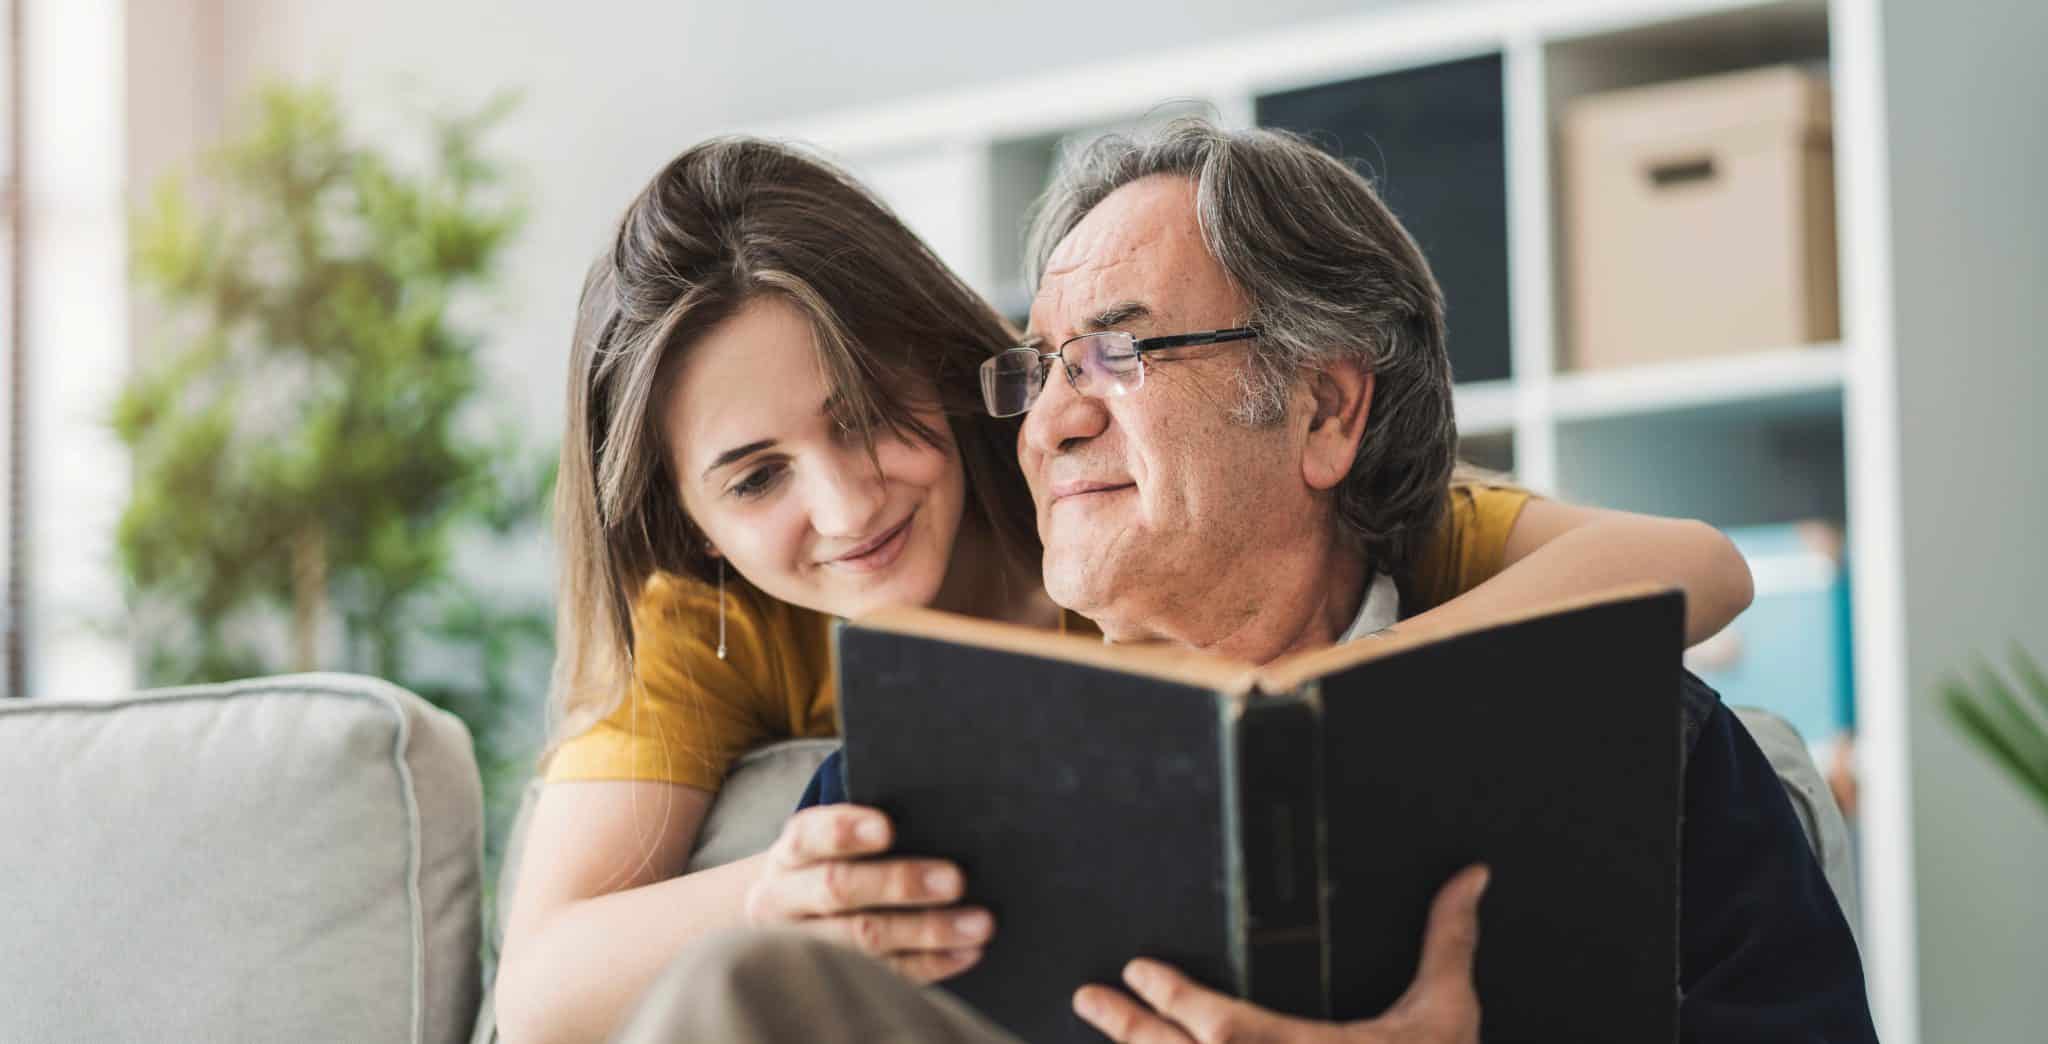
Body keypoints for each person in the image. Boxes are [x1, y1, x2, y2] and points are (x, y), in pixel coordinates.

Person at [495, 136, 1760, 1044]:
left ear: (1322, 410)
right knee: (737, 1000)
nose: (1051, 417)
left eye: (1115, 352)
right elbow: (543, 988)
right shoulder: (867, 784)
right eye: (1042, 368)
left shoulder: (1648, 742)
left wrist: (1340, 707)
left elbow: (1693, 561)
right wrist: (776, 902)